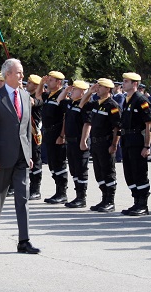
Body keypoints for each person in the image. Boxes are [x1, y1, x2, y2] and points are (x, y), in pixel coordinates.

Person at [0, 58, 40, 254]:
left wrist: (29, 154)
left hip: (22, 157)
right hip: (1, 157)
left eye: (22, 72)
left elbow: (26, 129)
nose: (22, 76)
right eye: (18, 73)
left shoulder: (25, 96)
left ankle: (24, 240)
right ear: (7, 74)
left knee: (22, 199)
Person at [80, 78, 122, 212]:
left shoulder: (113, 105)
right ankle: (104, 198)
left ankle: (110, 201)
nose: (97, 88)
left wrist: (114, 144)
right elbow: (81, 105)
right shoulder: (97, 103)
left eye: (100, 87)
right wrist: (89, 92)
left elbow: (117, 128)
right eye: (97, 86)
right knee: (99, 173)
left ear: (108, 89)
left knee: (108, 172)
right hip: (96, 143)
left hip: (106, 142)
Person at [119, 72, 151, 216]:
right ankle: (136, 200)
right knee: (129, 173)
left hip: (137, 141)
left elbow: (149, 123)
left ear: (135, 84)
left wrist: (147, 145)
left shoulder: (140, 99)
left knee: (139, 172)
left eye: (126, 81)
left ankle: (142, 204)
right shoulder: (128, 99)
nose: (123, 84)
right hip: (127, 140)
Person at [36, 71, 69, 204]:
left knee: (59, 162)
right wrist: (41, 83)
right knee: (52, 163)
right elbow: (38, 95)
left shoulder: (63, 97)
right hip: (48, 133)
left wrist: (62, 135)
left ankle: (62, 192)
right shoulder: (49, 95)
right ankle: (58, 191)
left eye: (51, 80)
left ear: (58, 83)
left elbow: (66, 118)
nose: (48, 82)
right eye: (48, 80)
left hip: (57, 133)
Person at [57, 80, 91, 208]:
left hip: (79, 141)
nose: (72, 91)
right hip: (70, 141)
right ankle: (77, 196)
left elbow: (87, 124)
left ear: (82, 92)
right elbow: (59, 102)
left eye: (75, 89)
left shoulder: (85, 106)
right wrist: (66, 91)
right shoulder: (71, 103)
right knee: (74, 169)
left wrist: (83, 141)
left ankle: (81, 197)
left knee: (81, 170)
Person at [26, 74, 44, 200]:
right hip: (24, 133)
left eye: (30, 83)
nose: (27, 84)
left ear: (36, 86)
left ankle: (35, 189)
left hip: (34, 133)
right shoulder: (27, 95)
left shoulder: (38, 98)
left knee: (35, 161)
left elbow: (33, 102)